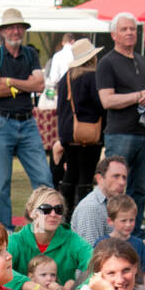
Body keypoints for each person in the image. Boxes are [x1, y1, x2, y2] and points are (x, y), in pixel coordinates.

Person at [0, 8, 54, 230]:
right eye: (11, 27)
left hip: (26, 121)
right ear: (3, 31)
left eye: (19, 27)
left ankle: (42, 227)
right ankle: (5, 231)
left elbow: (40, 85)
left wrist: (11, 82)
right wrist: (25, 84)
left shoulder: (30, 54)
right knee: (2, 184)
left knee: (44, 178)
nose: (16, 31)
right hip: (1, 121)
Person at [95, 12, 145, 220]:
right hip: (120, 133)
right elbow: (107, 101)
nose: (129, 33)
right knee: (114, 188)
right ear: (113, 34)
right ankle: (108, 231)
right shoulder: (107, 63)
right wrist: (139, 96)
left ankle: (134, 234)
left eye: (132, 29)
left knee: (139, 189)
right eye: (124, 29)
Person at [6, 187, 92, 290]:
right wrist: (30, 286)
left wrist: (77, 289)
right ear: (32, 213)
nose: (53, 214)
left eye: (58, 209)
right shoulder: (16, 241)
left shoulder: (71, 240)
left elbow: (98, 264)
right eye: (45, 209)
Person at [55, 40, 104, 210]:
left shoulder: (66, 78)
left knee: (71, 173)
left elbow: (60, 108)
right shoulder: (92, 77)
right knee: (86, 175)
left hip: (69, 133)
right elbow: (101, 105)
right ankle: (82, 212)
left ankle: (66, 212)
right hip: (89, 132)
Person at [70, 154, 129, 245]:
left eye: (124, 177)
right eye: (116, 176)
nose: (122, 182)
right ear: (99, 178)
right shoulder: (91, 207)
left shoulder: (114, 204)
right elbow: (90, 253)